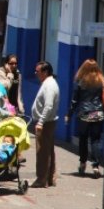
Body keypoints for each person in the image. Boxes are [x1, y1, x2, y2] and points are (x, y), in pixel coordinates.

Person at [66, 59, 104, 178]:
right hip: (98, 113)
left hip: (84, 113)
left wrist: (69, 114)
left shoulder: (81, 82)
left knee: (83, 139)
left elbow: (74, 100)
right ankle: (95, 166)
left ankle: (83, 163)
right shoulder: (102, 81)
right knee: (95, 140)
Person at [31, 60, 59, 188]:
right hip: (47, 122)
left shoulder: (49, 85)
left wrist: (40, 122)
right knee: (48, 151)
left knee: (42, 152)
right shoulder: (48, 83)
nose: (36, 73)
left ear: (45, 72)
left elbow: (48, 106)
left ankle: (41, 179)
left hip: (46, 123)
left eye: (38, 71)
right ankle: (49, 177)